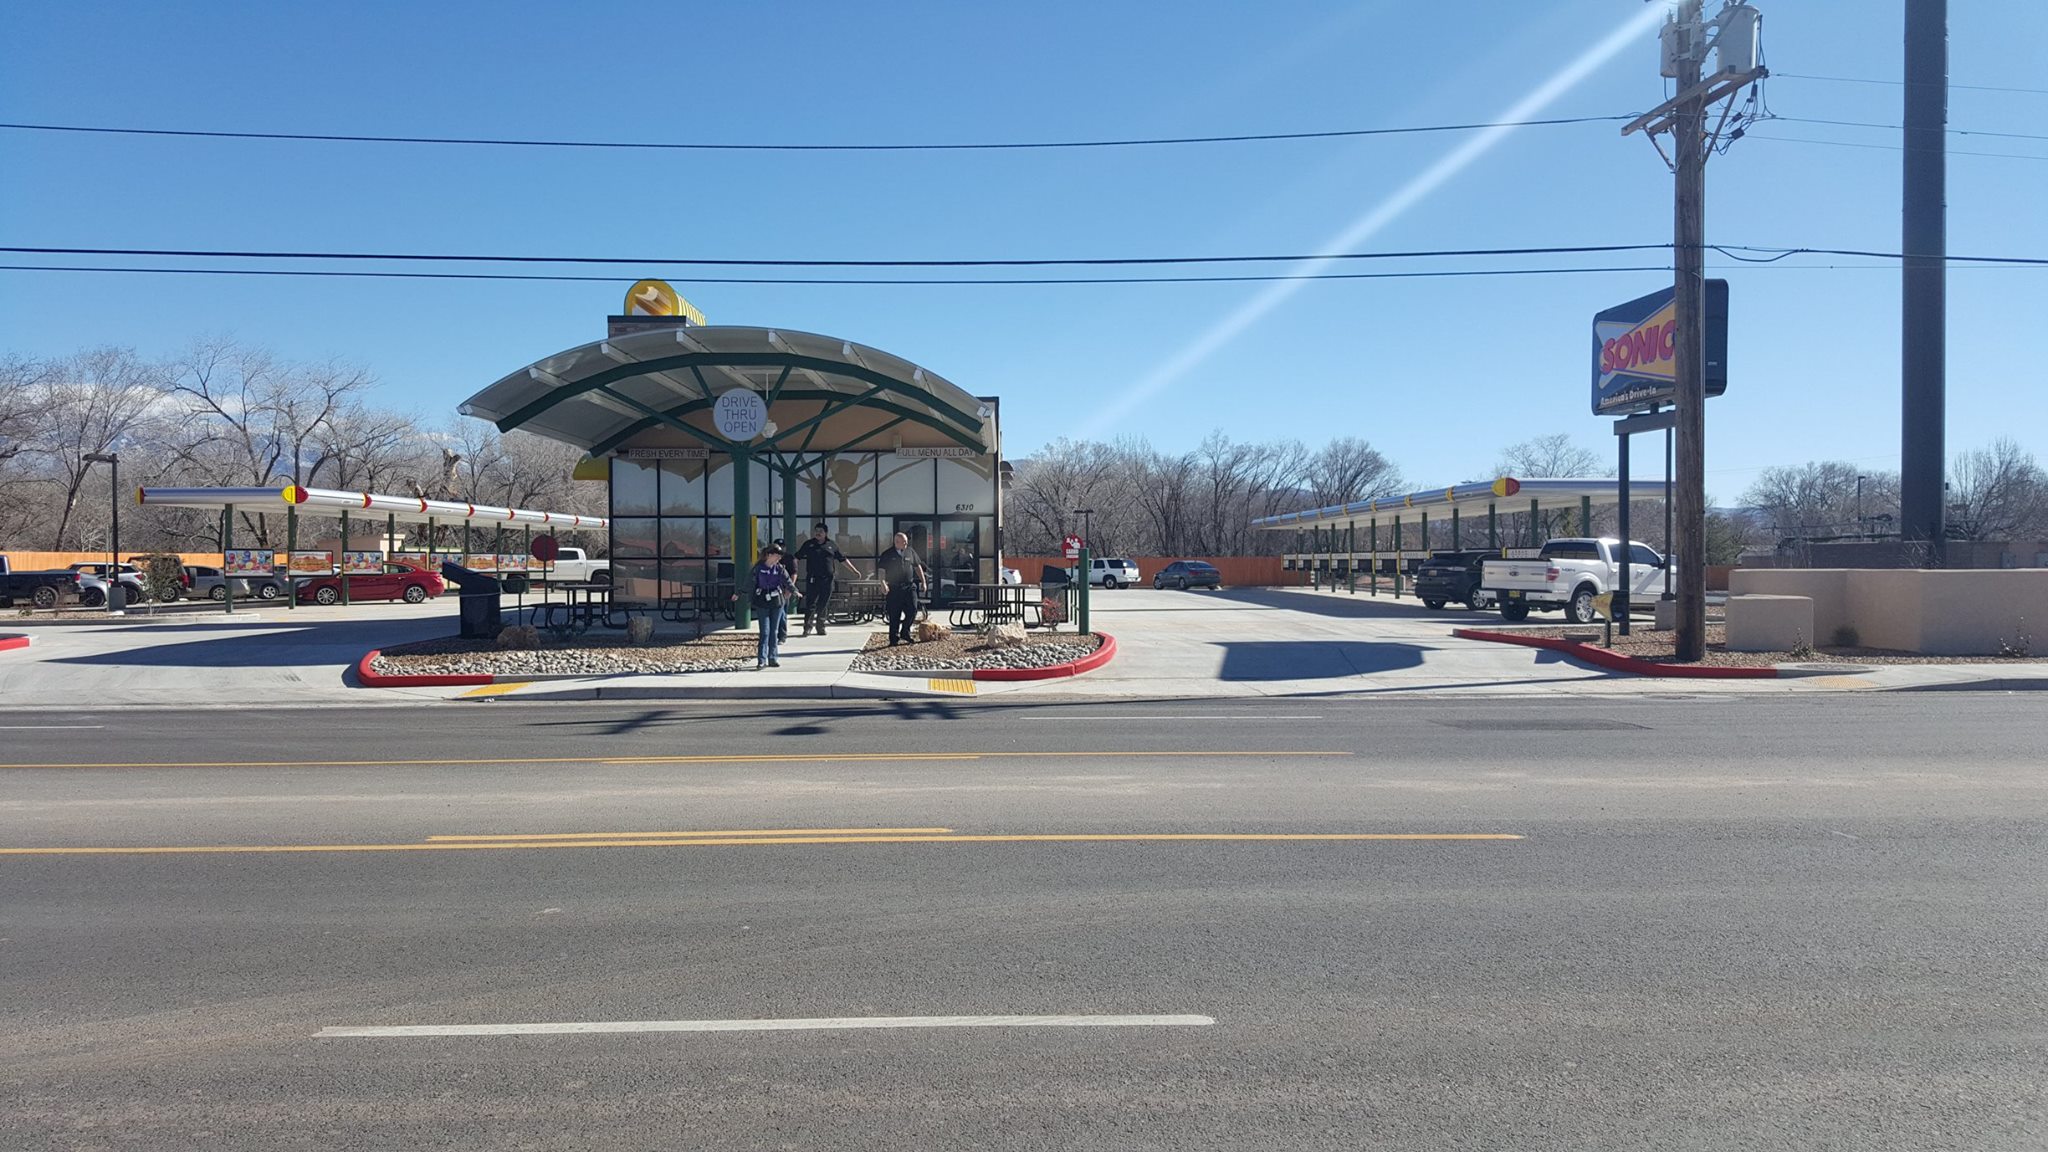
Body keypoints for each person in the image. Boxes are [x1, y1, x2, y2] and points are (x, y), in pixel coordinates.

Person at [793, 522, 859, 637]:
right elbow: (796, 558)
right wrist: (793, 570)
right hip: (813, 579)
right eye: (816, 531)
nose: (818, 533)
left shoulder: (831, 545)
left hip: (827, 580)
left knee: (823, 603)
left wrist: (854, 570)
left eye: (821, 531)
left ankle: (821, 627)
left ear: (826, 533)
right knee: (811, 604)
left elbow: (842, 559)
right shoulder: (809, 544)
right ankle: (807, 628)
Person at [746, 542, 797, 670]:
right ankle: (761, 660)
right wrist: (740, 593)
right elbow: (749, 583)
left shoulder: (780, 568)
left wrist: (794, 591)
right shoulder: (758, 568)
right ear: (769, 555)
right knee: (765, 632)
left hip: (777, 602)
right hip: (762, 601)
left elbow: (788, 581)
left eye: (780, 556)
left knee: (774, 632)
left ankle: (773, 658)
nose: (778, 558)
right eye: (776, 555)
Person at [875, 531, 928, 646]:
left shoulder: (910, 551)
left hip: (909, 587)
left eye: (906, 542)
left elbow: (917, 567)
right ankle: (894, 638)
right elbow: (881, 570)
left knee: (913, 609)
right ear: (896, 542)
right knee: (894, 613)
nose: (906, 544)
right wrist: (882, 583)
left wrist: (923, 582)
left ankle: (905, 632)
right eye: (904, 542)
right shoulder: (887, 554)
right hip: (894, 588)